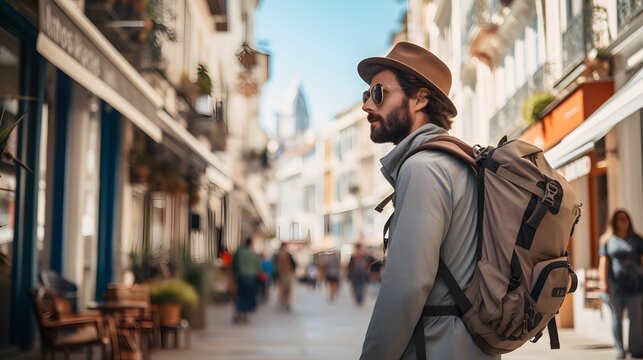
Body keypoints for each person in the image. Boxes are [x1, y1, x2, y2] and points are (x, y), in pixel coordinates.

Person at [357, 42, 495, 359]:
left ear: (420, 98)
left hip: (434, 348)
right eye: (366, 95)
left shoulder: (424, 168)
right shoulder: (459, 162)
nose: (367, 106)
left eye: (379, 93)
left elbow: (405, 287)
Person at [599, 209, 643, 359]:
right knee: (616, 319)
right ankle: (619, 349)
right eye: (620, 219)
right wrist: (604, 283)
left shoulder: (637, 240)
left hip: (636, 286)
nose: (623, 221)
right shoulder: (608, 240)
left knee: (636, 319)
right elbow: (603, 263)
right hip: (615, 287)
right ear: (614, 222)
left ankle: (636, 349)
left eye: (626, 218)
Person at [231, 238, 261, 323]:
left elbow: (234, 265)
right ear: (251, 244)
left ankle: (238, 313)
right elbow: (258, 267)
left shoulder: (239, 252)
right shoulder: (253, 254)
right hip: (251, 278)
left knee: (240, 295)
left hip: (241, 277)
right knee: (248, 296)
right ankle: (244, 315)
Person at [274, 242, 296, 311]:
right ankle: (285, 302)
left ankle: (285, 302)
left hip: (285, 274)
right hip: (285, 274)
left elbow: (293, 264)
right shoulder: (280, 255)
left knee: (286, 290)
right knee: (285, 290)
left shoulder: (282, 255)